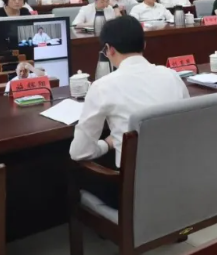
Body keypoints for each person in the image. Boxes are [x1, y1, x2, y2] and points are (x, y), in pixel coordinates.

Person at [68, 16, 190, 208]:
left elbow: (79, 152)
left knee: (74, 173)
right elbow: (187, 125)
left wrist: (107, 144)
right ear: (144, 45)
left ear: (109, 49)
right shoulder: (172, 76)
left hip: (133, 193)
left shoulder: (102, 86)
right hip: (179, 180)